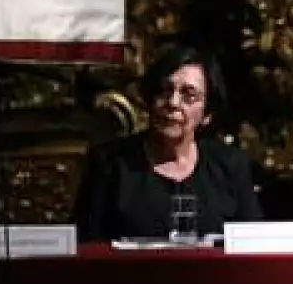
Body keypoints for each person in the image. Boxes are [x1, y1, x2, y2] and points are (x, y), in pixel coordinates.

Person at [73, 45, 263, 242]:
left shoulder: (231, 166)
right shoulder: (109, 164)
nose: (172, 103)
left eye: (188, 95)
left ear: (207, 114)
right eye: (164, 91)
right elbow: (87, 249)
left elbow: (252, 247)